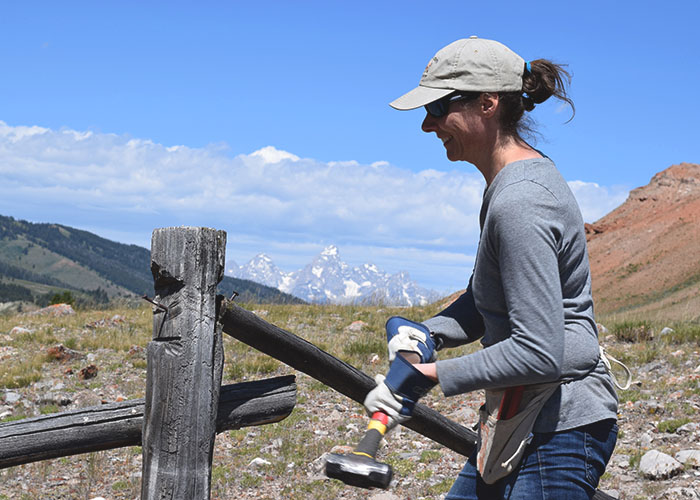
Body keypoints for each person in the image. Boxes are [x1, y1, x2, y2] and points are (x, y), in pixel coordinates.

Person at [363, 37, 619, 500]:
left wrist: (429, 378)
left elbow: (539, 350)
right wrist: (428, 335)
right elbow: (487, 298)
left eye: (439, 107)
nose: (427, 124)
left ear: (488, 103)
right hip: (525, 417)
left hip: (560, 428)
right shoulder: (508, 187)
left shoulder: (521, 201)